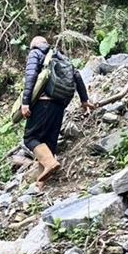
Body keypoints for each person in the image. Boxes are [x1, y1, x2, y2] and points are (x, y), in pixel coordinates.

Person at [21, 36, 94, 186]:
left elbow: (31, 76)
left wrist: (25, 102)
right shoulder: (61, 56)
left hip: (43, 103)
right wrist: (84, 100)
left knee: (30, 138)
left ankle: (49, 164)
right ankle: (41, 185)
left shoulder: (35, 53)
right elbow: (77, 76)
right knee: (49, 142)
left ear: (34, 45)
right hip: (60, 104)